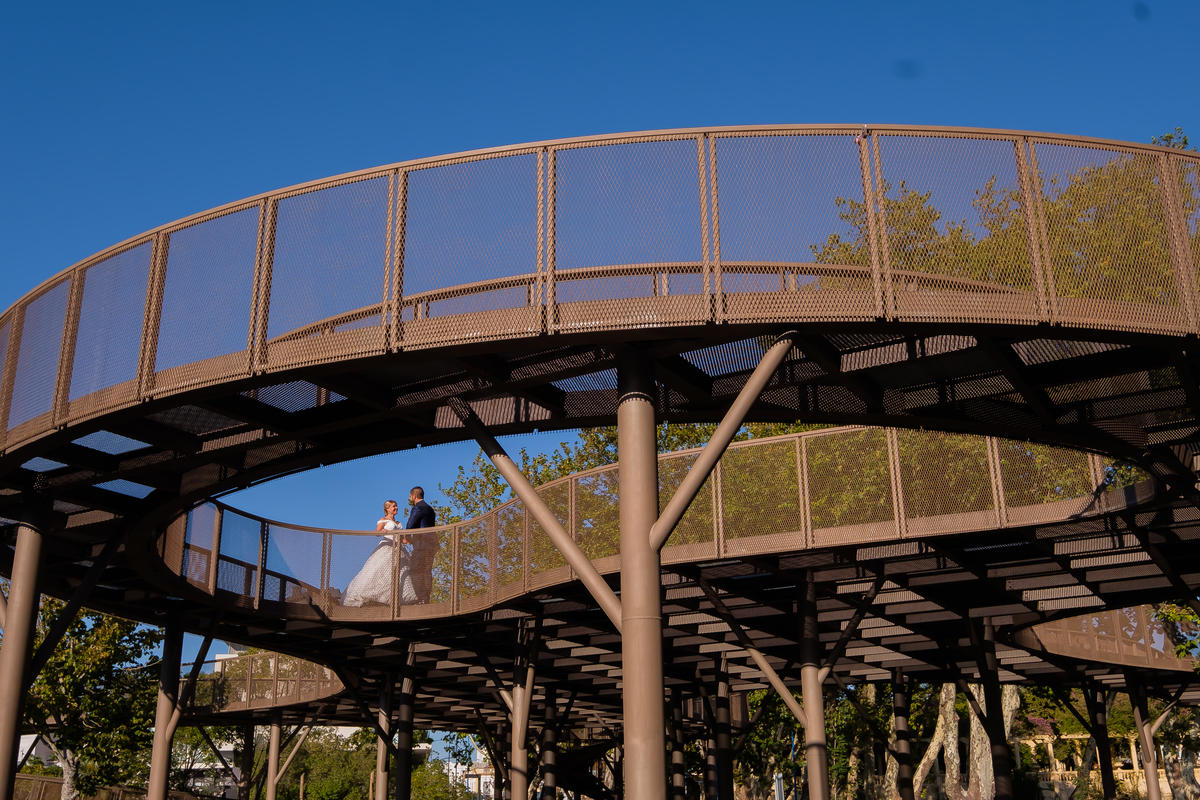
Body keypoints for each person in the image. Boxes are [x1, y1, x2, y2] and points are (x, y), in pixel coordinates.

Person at [343, 500, 417, 607]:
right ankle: (370, 595)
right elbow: (377, 532)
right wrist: (382, 531)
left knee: (400, 573)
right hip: (387, 547)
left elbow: (402, 540)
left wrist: (412, 540)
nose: (396, 508)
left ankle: (396, 598)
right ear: (387, 509)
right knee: (378, 572)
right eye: (394, 506)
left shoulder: (398, 523)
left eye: (396, 506)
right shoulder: (384, 520)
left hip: (399, 549)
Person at [405, 486, 439, 604]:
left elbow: (411, 524)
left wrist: (407, 537)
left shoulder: (418, 507)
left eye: (410, 496)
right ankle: (426, 598)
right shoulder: (429, 508)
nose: (410, 498)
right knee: (426, 571)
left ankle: (422, 598)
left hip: (422, 544)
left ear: (414, 495)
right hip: (432, 543)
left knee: (415, 571)